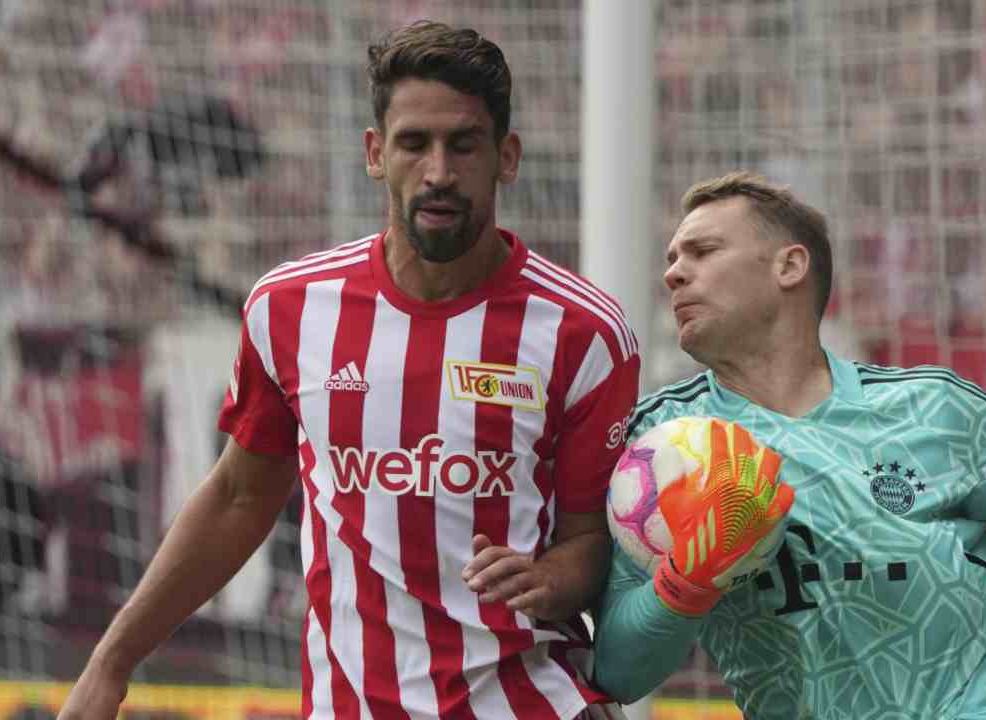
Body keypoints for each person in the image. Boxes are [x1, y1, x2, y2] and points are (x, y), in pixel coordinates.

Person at [59, 21, 638, 720]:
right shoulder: (291, 309)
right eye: (413, 143)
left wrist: (549, 577)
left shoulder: (584, 333)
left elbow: (593, 545)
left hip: (530, 703)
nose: (439, 172)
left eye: (464, 144)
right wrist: (110, 663)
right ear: (374, 153)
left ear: (506, 157)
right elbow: (239, 497)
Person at [591, 171, 986, 719]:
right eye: (671, 259)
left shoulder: (932, 407)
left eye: (703, 251)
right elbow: (617, 671)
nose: (673, 274)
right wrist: (686, 581)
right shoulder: (657, 448)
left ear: (789, 266)